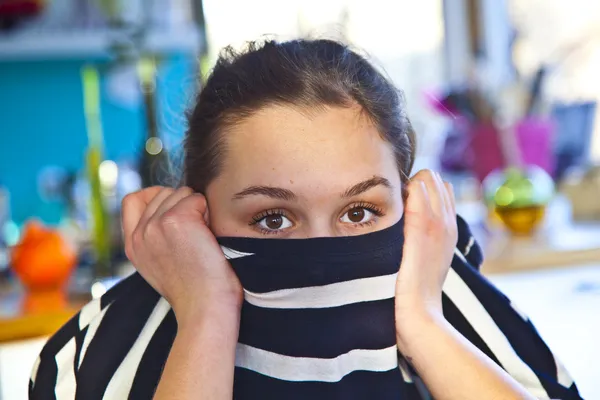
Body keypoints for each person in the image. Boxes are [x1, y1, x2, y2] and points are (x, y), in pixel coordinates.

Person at [29, 39, 581, 400]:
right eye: (272, 220)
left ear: (409, 206)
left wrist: (424, 324)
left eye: (360, 211)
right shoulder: (97, 354)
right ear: (196, 215)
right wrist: (206, 318)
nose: (321, 248)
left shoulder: (457, 306)